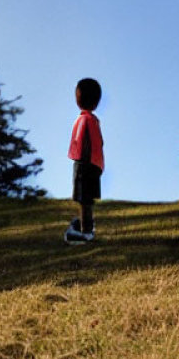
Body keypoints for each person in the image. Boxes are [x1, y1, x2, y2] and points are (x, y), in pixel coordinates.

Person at [65, 78, 104, 244]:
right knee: (87, 199)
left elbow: (80, 142)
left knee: (84, 199)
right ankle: (85, 226)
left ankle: (85, 231)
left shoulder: (83, 120)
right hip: (94, 164)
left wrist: (80, 160)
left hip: (84, 163)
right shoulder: (94, 120)